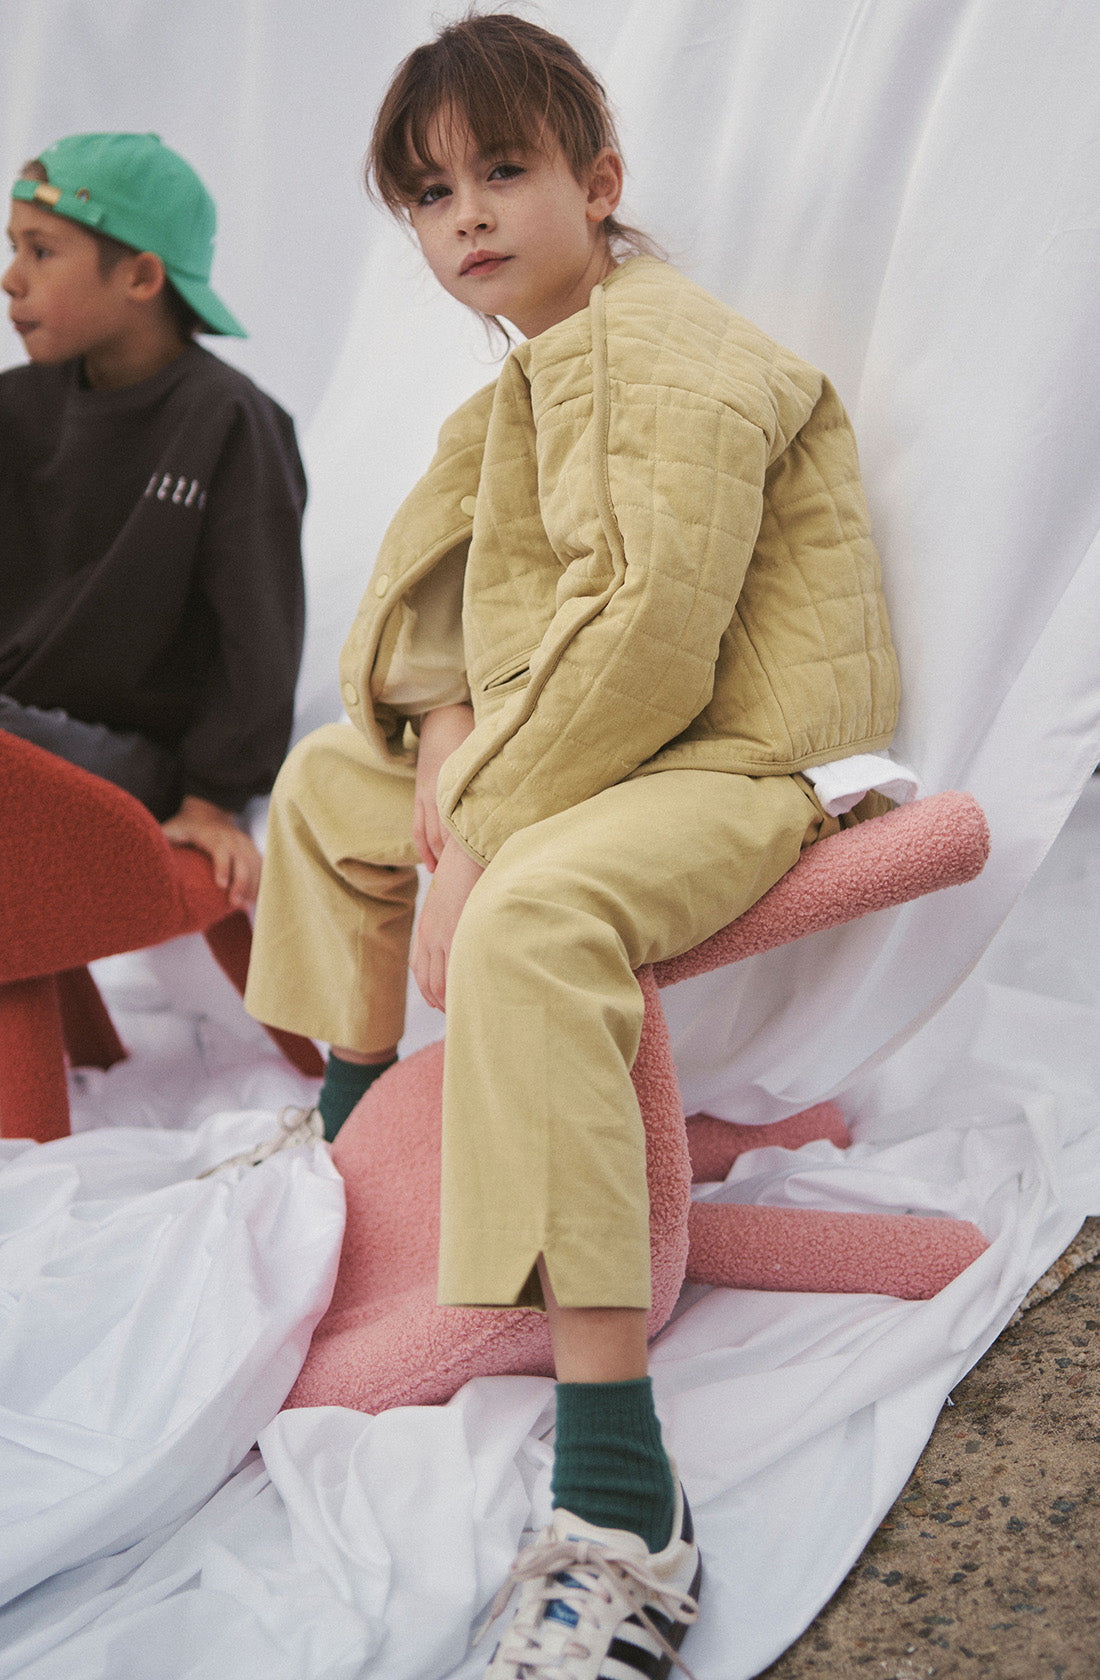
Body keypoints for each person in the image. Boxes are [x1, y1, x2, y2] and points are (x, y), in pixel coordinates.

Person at [245, 13, 901, 1676]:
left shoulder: (665, 350)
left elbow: (652, 642)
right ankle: (354, 1139)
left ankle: (622, 1495)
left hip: (732, 759)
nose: (463, 216)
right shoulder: (529, 382)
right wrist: (445, 746)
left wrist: (476, 840)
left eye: (504, 171)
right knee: (330, 788)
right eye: (427, 193)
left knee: (530, 922)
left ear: (600, 182)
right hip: (602, 754)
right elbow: (447, 619)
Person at [1, 131, 307, 908]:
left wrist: (212, 798)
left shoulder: (232, 423)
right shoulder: (13, 407)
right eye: (13, 249)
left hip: (131, 763)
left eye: (41, 251)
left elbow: (259, 636)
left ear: (140, 275)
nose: (11, 279)